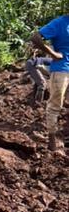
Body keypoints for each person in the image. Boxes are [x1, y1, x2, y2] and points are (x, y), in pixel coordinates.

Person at [30, 14, 69, 152]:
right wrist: (53, 54)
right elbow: (35, 37)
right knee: (55, 106)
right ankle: (52, 142)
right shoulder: (59, 23)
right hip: (61, 70)